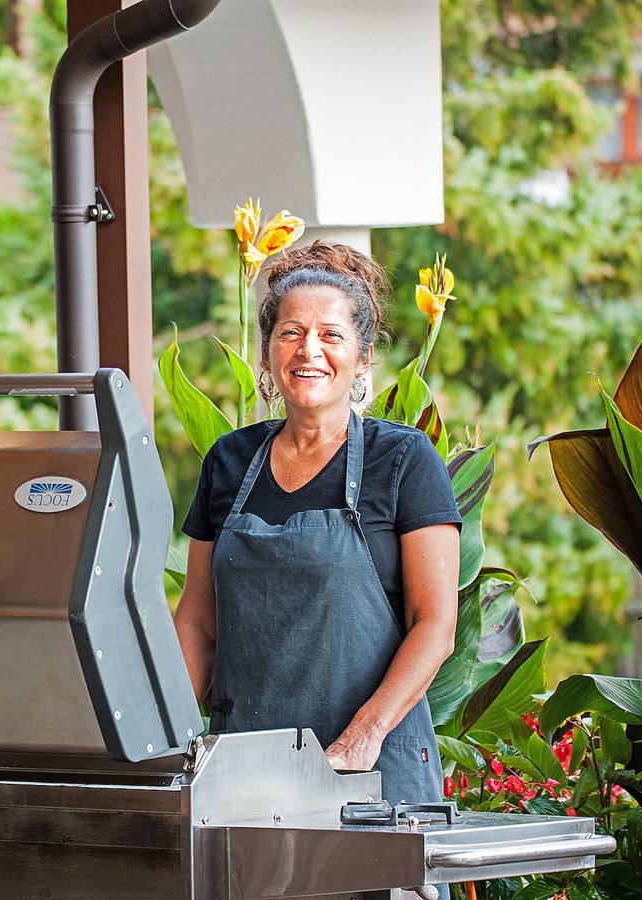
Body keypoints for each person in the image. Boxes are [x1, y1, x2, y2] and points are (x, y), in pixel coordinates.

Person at [174, 240, 461, 810]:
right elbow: (199, 620)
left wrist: (362, 738)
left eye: (331, 334)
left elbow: (434, 625)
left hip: (370, 779)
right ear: (266, 353)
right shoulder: (229, 461)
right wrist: (169, 740)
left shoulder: (402, 462)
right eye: (290, 333)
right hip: (246, 778)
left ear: (364, 356)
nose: (310, 350)